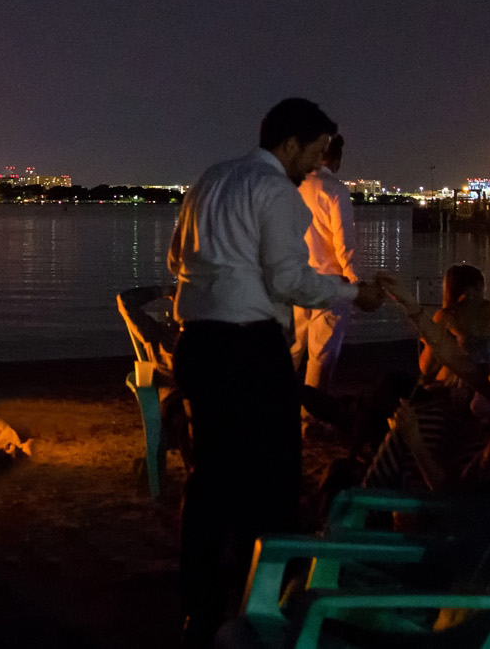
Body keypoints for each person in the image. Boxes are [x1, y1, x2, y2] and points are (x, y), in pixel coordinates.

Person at [166, 98, 389, 637]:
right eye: (313, 153)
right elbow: (292, 280)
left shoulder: (209, 179)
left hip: (195, 342)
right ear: (289, 144)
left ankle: (198, 603)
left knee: (210, 474)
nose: (316, 166)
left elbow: (177, 258)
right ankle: (257, 597)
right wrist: (354, 294)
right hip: (248, 347)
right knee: (271, 477)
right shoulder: (278, 193)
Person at [292, 134, 358, 407]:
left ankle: (272, 406)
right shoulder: (334, 189)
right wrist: (355, 282)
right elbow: (344, 243)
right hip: (328, 282)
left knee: (290, 349)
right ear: (335, 158)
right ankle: (312, 413)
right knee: (322, 354)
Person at [415, 264, 490, 387]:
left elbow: (427, 368)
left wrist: (427, 343)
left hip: (455, 385)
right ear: (479, 285)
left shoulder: (446, 316)